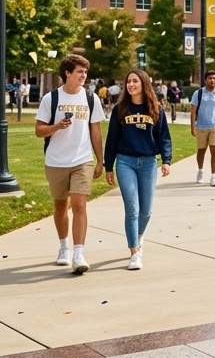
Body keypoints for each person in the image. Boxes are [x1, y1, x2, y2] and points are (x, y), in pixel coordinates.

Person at [34, 55, 105, 274]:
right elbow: (39, 131)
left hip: (82, 159)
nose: (84, 75)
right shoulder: (51, 98)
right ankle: (64, 247)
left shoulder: (91, 98)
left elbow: (96, 131)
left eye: (85, 72)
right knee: (60, 206)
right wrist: (57, 126)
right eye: (79, 71)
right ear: (67, 73)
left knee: (80, 205)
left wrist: (100, 160)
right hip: (56, 160)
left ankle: (78, 254)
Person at [103, 70, 172, 271]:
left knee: (146, 210)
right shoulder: (120, 109)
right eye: (128, 81)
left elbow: (164, 137)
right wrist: (109, 167)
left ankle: (139, 235)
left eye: (135, 81)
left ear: (143, 84)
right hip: (125, 162)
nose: (131, 85)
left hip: (148, 163)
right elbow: (112, 139)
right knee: (132, 208)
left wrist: (166, 160)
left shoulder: (156, 108)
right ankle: (134, 252)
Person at [191, 71, 215, 186]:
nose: (212, 80)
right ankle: (200, 171)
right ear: (205, 80)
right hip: (201, 126)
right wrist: (192, 127)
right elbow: (193, 111)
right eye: (210, 78)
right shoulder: (198, 93)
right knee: (201, 151)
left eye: (214, 78)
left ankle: (213, 176)